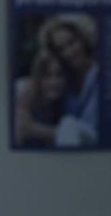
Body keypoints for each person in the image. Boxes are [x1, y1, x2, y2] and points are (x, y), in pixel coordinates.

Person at [38, 14, 99, 146]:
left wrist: (38, 131)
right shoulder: (62, 82)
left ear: (82, 38)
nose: (69, 52)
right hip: (65, 152)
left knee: (68, 123)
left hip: (100, 152)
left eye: (72, 42)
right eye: (61, 49)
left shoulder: (101, 75)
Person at [14, 52, 67, 147]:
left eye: (59, 75)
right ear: (37, 77)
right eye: (47, 76)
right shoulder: (24, 91)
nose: (54, 82)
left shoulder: (56, 104)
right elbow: (21, 131)